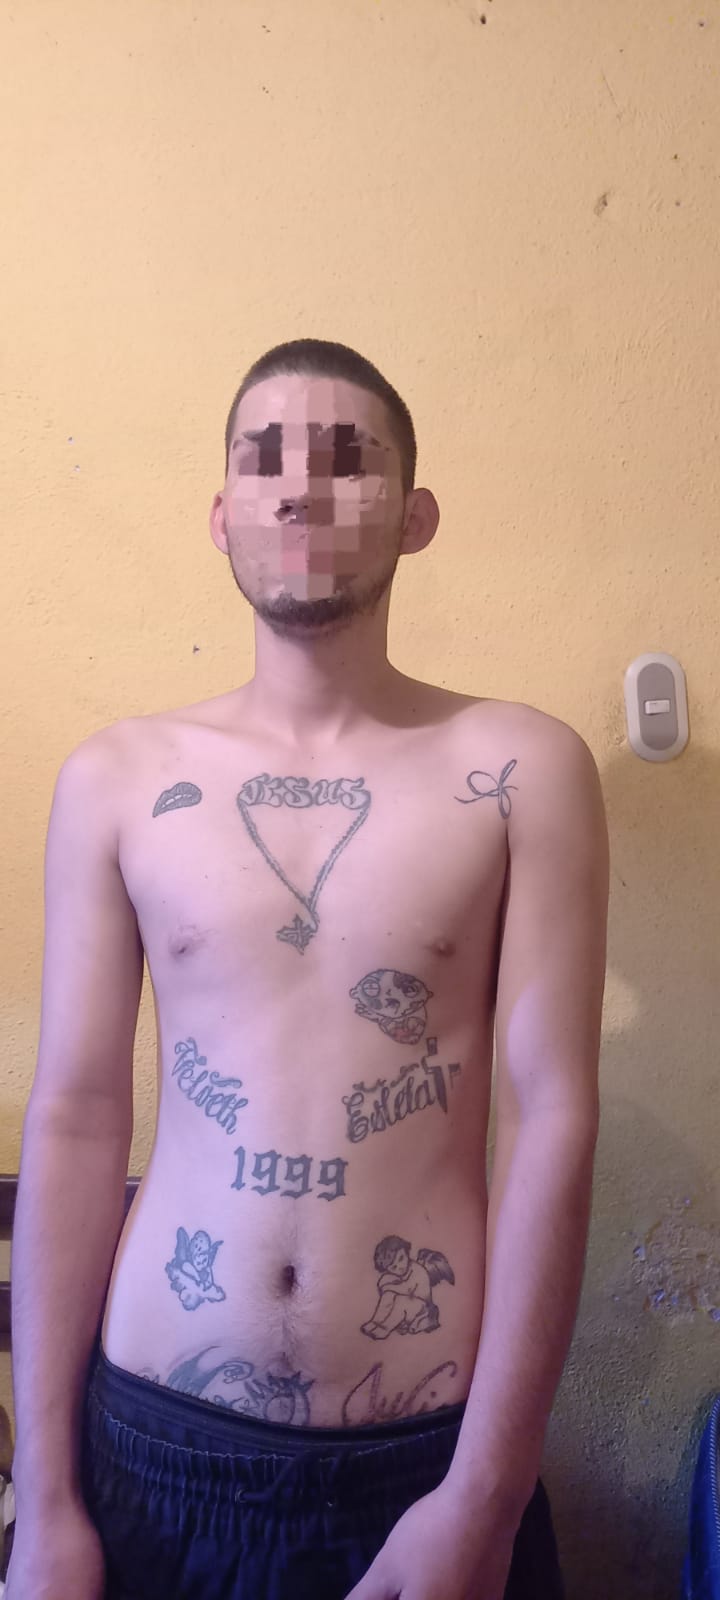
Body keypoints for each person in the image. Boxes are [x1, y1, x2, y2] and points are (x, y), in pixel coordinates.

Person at [7, 338, 609, 1600]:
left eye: (348, 458)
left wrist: (487, 1496)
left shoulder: (521, 769)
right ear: (221, 512)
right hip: (152, 1444)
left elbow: (550, 1117)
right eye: (264, 457)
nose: (300, 487)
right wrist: (47, 1502)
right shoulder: (118, 780)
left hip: (423, 1461)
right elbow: (75, 1116)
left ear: (416, 514)